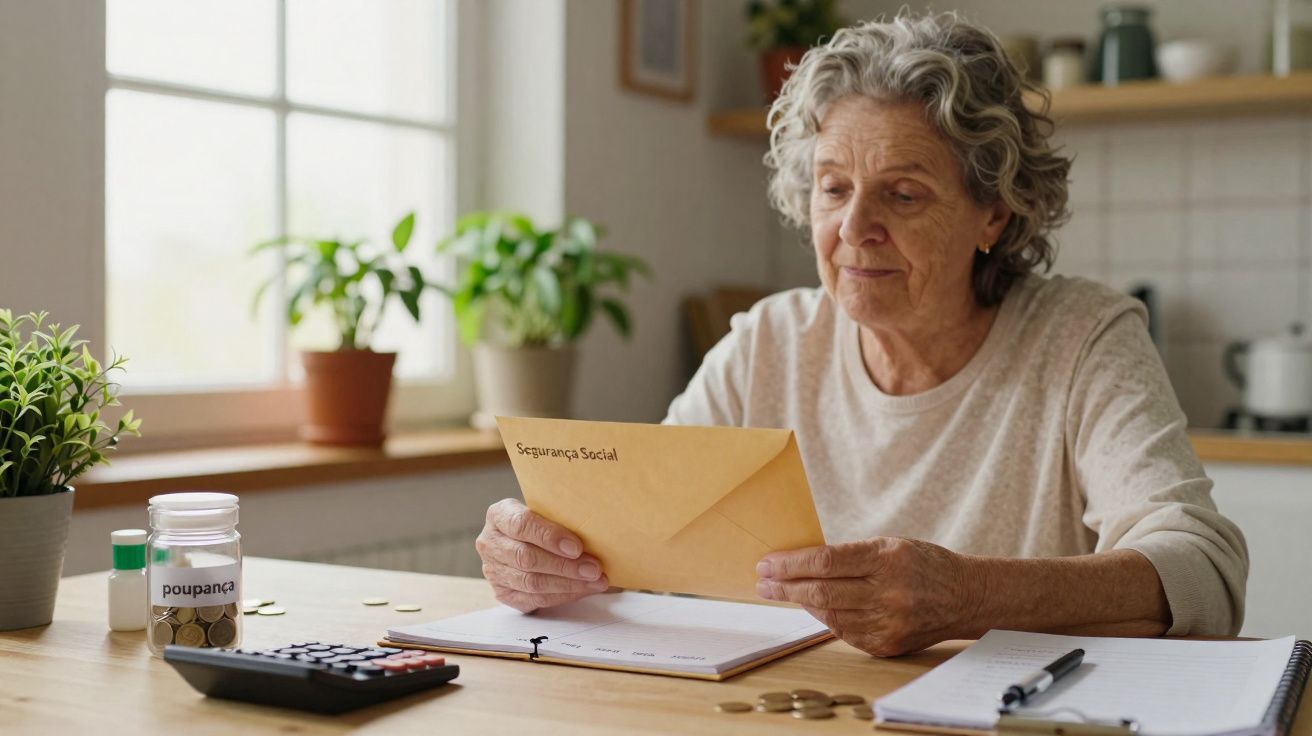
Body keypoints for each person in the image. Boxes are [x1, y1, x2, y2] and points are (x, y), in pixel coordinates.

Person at [475, 11, 1248, 657]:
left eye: (903, 195)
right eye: (833, 188)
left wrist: (968, 595)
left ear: (995, 214)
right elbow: (630, 538)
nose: (854, 229)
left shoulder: (1081, 337)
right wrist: (532, 550)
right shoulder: (767, 342)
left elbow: (1204, 575)